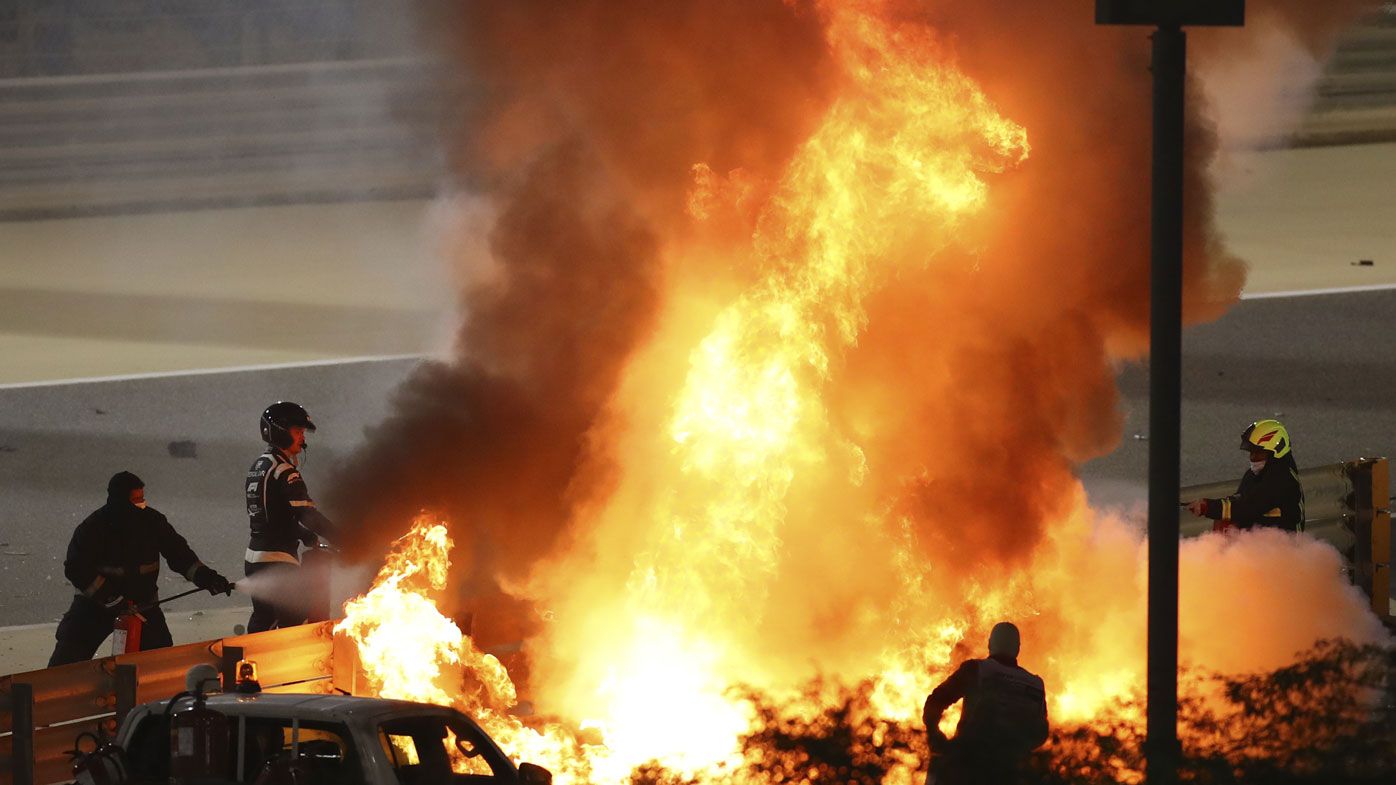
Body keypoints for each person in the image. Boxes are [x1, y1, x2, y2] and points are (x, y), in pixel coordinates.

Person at [49, 472, 233, 666]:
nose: (142, 504)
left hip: (142, 606)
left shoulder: (153, 522)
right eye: (136, 499)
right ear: (119, 501)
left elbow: (180, 556)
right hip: (95, 606)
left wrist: (208, 578)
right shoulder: (93, 528)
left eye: (142, 498)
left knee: (160, 663)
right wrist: (110, 598)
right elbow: (76, 568)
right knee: (68, 655)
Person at [244, 401, 336, 632]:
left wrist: (307, 537)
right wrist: (346, 538)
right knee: (290, 626)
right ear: (279, 431)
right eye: (298, 432)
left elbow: (273, 516)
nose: (302, 439)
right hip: (277, 561)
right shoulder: (284, 470)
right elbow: (307, 514)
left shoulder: (260, 465)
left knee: (263, 623)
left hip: (256, 558)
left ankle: (248, 665)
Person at [922, 622, 1049, 785]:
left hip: (970, 765)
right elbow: (1041, 731)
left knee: (939, 765)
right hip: (1014, 771)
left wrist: (934, 733)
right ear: (1018, 648)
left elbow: (935, 701)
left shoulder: (977, 670)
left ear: (990, 644)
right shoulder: (1035, 684)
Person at [1185, 419, 1305, 533]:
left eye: (1258, 452)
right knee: (1226, 522)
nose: (1252, 457)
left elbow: (1249, 507)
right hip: (1264, 545)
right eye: (1251, 452)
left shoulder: (1282, 480)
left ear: (1275, 451)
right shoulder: (1254, 475)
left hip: (1284, 547)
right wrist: (1206, 505)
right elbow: (1240, 500)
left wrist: (1208, 507)